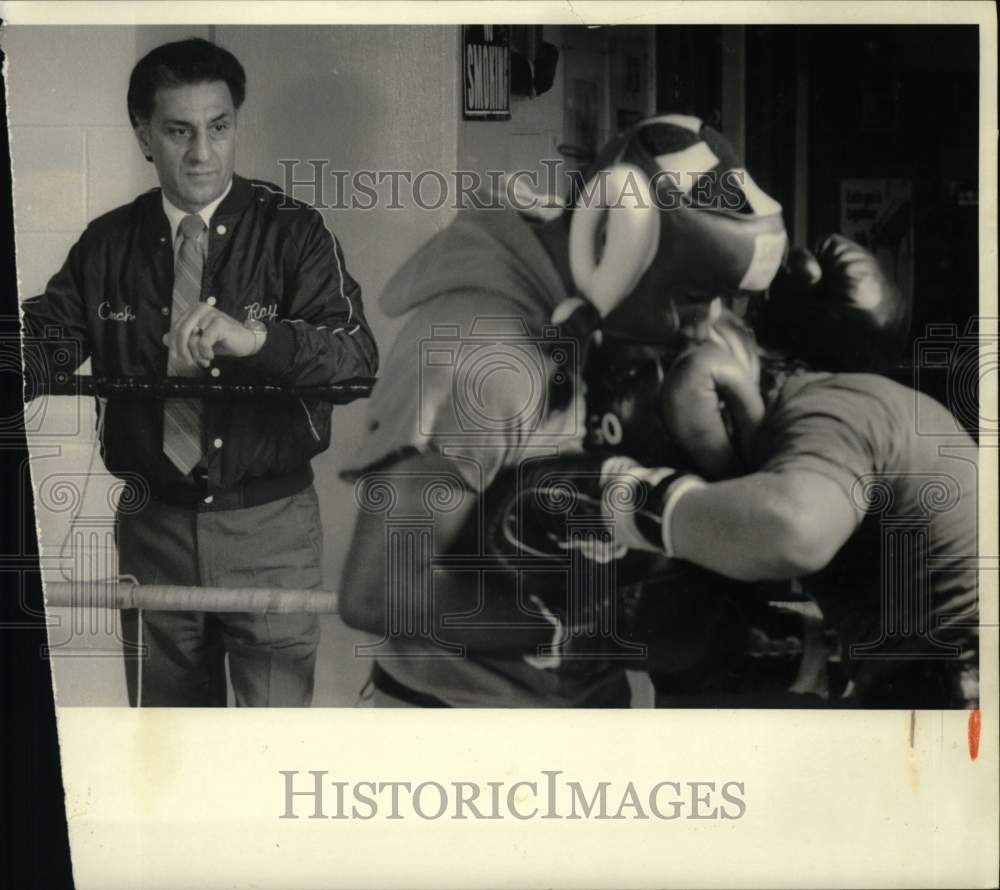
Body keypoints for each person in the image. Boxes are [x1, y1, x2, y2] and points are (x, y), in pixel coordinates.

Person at [339, 114, 787, 707]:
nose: (706, 322)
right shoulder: (480, 357)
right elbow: (381, 591)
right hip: (461, 742)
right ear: (619, 244)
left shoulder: (595, 299)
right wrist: (596, 630)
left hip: (578, 717)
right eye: (693, 298)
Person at [21, 38, 378, 707]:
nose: (202, 154)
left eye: (218, 128)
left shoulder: (295, 233)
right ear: (144, 136)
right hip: (153, 532)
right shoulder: (108, 244)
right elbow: (43, 349)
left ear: (235, 125)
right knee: (169, 750)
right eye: (179, 132)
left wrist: (258, 340)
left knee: (271, 752)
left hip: (271, 529)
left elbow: (357, 361)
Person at [548, 234, 979, 708]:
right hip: (935, 679)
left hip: (960, 690)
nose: (711, 476)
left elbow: (793, 530)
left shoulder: (826, 413)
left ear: (720, 389)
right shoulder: (850, 405)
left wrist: (621, 499)